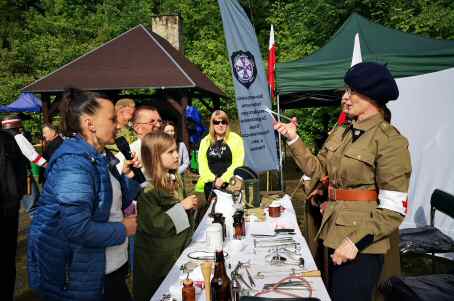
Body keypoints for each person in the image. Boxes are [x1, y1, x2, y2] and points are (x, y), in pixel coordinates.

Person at [274, 62, 411, 301]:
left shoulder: (389, 141)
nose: (344, 97)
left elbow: (393, 208)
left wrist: (355, 242)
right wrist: (293, 139)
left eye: (351, 92)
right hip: (331, 229)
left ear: (372, 97)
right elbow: (317, 169)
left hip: (362, 242)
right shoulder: (343, 132)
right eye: (345, 91)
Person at [27, 87, 141, 301]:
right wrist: (122, 229)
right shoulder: (73, 164)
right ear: (90, 124)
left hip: (107, 269)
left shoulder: (101, 157)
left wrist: (128, 179)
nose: (118, 124)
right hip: (84, 277)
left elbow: (110, 206)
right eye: (111, 119)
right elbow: (76, 228)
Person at [133, 132, 199, 301]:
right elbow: (156, 224)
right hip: (156, 265)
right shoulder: (147, 189)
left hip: (175, 253)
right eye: (170, 152)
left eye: (175, 150)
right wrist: (182, 207)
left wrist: (190, 207)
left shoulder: (172, 179)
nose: (177, 155)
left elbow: (177, 217)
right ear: (155, 157)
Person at [0, 121, 29, 301]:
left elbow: (19, 173)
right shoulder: (8, 139)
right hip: (8, 210)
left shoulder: (8, 140)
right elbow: (20, 173)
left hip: (7, 210)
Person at [195, 110, 245, 200]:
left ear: (227, 123)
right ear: (212, 124)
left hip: (231, 183)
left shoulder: (236, 139)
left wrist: (224, 179)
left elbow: (238, 162)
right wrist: (213, 179)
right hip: (210, 184)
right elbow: (202, 164)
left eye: (223, 122)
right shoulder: (205, 141)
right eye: (216, 122)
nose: (220, 125)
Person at [116, 105, 162, 174]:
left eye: (159, 121)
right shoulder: (124, 158)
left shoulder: (165, 150)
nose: (158, 125)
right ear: (138, 128)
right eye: (152, 121)